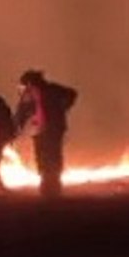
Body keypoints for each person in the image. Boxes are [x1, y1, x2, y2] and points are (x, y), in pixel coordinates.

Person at [14, 70, 77, 198]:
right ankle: (46, 185)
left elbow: (72, 94)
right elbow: (21, 113)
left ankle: (54, 186)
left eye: (24, 85)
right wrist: (16, 128)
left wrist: (63, 108)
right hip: (39, 131)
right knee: (42, 157)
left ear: (30, 83)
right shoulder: (28, 96)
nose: (23, 88)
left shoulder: (52, 90)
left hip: (54, 129)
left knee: (53, 156)